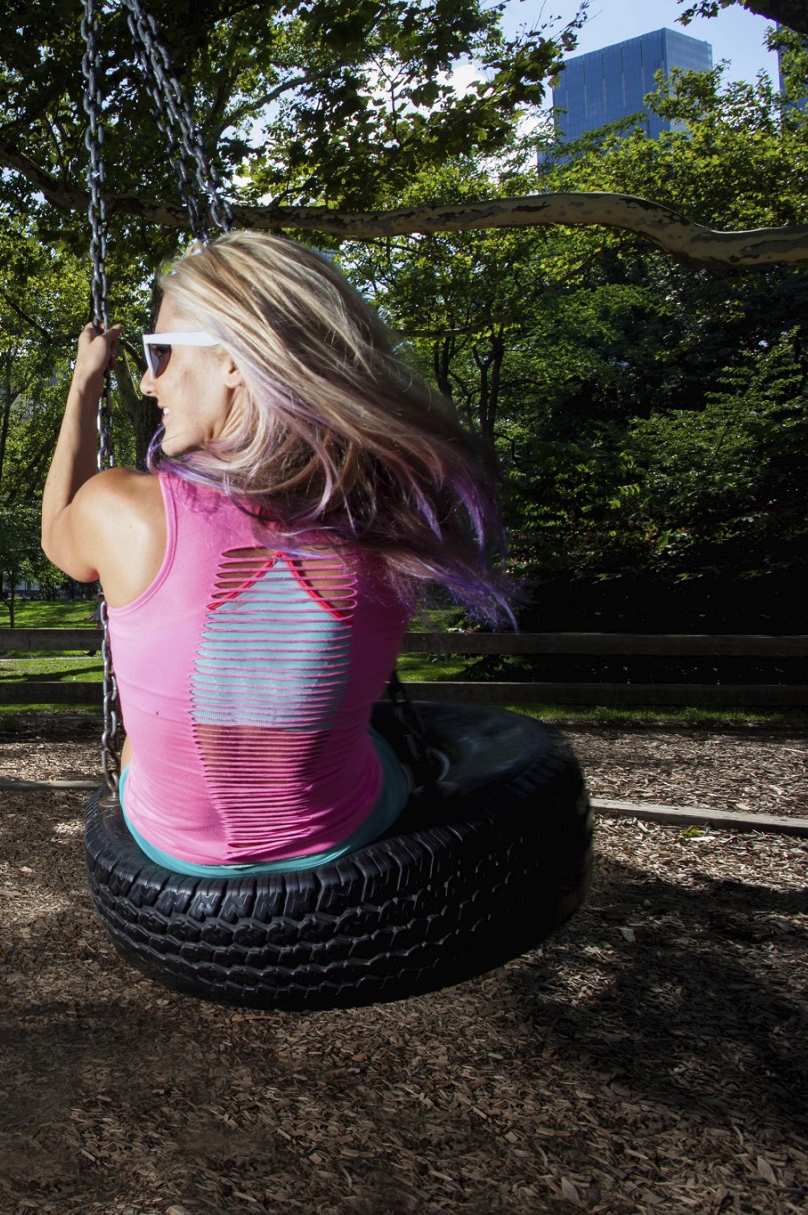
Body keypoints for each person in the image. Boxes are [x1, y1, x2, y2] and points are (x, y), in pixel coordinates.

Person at [40, 232, 513, 878]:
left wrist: (84, 384)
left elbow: (56, 543)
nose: (150, 383)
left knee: (145, 749)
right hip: (350, 831)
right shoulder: (391, 515)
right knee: (343, 722)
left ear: (232, 359)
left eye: (161, 353)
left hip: (169, 849)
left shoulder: (119, 511)